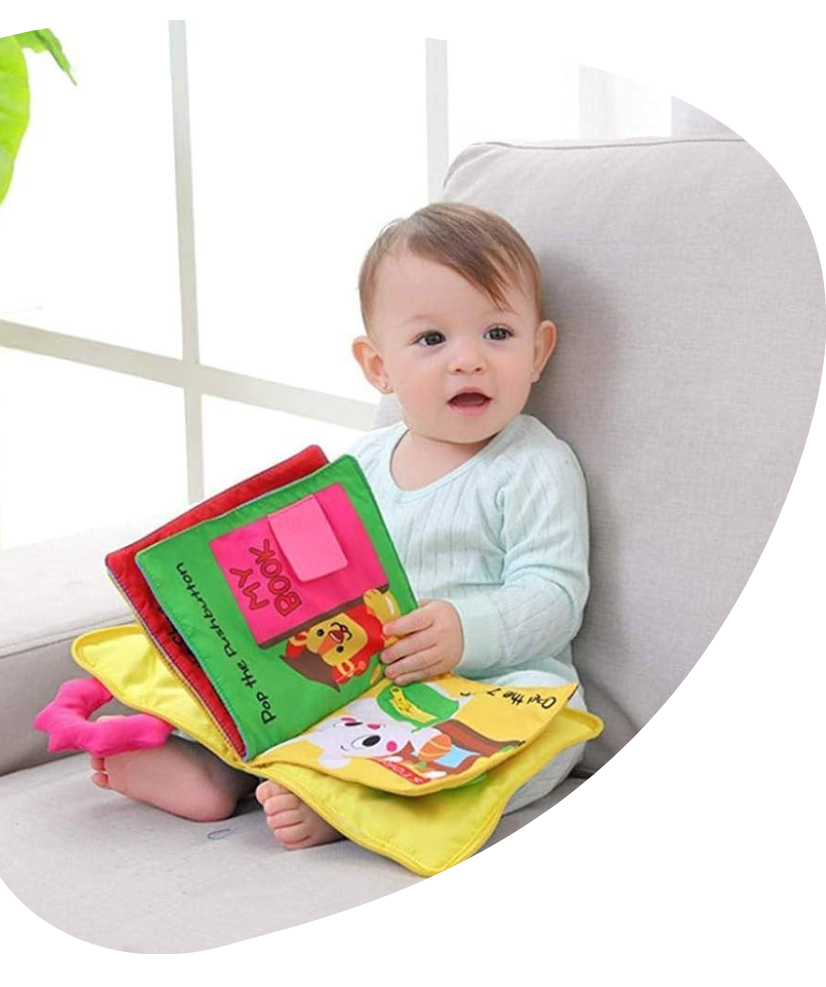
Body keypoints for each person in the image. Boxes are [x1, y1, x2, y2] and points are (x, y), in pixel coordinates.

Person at [89, 202, 590, 850]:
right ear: (378, 366)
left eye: (497, 333)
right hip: (365, 681)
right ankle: (219, 768)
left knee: (543, 741)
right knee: (281, 696)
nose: (468, 360)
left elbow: (556, 596)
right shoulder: (360, 464)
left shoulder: (534, 464)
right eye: (432, 340)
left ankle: (348, 805)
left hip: (490, 689)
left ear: (539, 351)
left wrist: (466, 631)